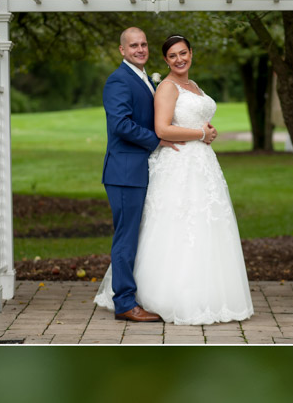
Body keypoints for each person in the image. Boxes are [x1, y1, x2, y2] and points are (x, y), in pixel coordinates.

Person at [95, 35, 253, 324]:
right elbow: (147, 126)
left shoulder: (165, 82)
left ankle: (203, 294)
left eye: (144, 45)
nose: (179, 59)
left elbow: (181, 119)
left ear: (191, 53)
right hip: (132, 168)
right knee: (134, 235)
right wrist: (195, 134)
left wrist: (207, 131)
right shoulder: (129, 81)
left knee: (198, 227)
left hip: (197, 164)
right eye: (172, 55)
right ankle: (127, 303)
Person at [93, 28, 174, 322]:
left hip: (140, 170)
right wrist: (158, 139)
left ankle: (135, 295)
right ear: (122, 50)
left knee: (137, 235)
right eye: (134, 45)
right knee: (126, 238)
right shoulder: (118, 81)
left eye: (143, 44)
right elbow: (121, 125)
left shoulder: (143, 79)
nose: (140, 49)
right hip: (124, 172)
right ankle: (125, 303)